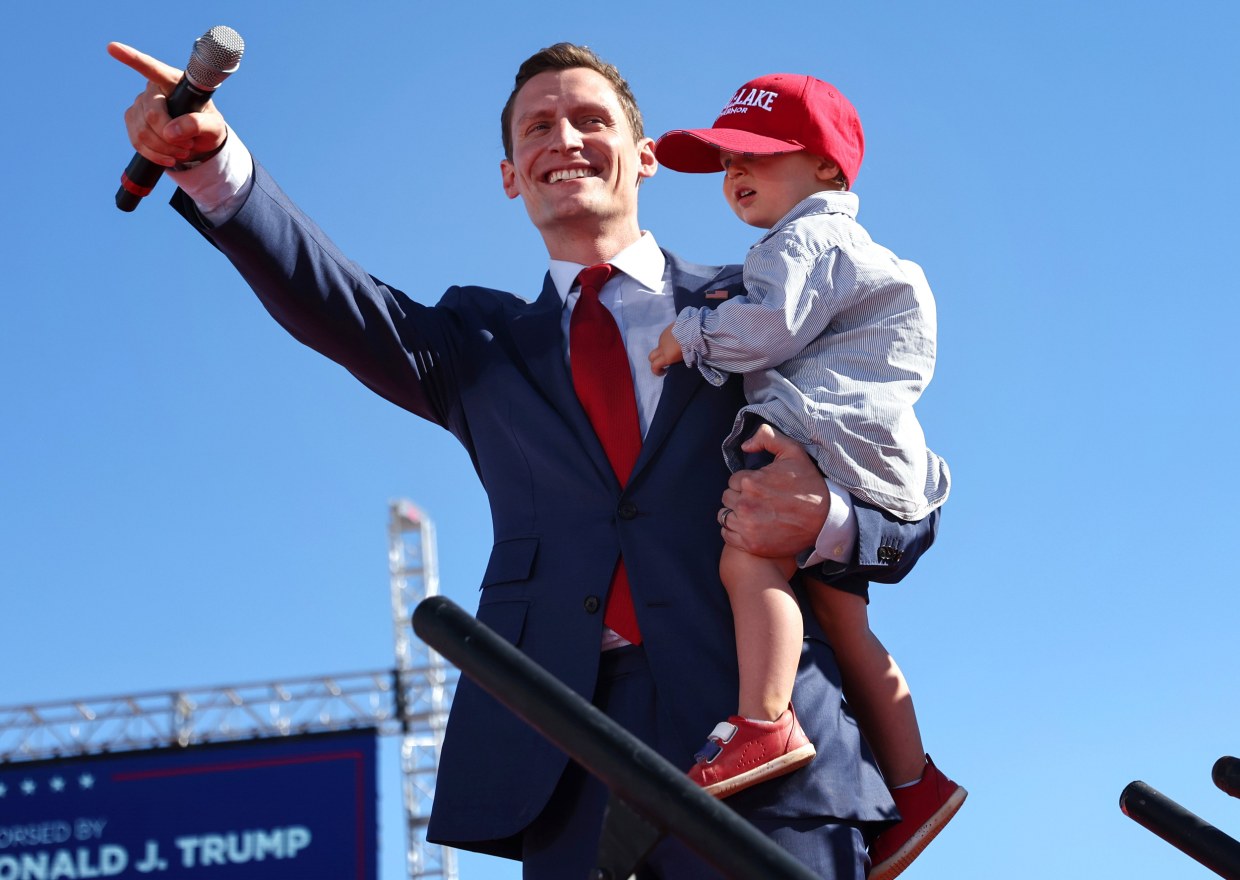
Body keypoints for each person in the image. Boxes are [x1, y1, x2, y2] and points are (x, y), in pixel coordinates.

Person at [110, 40, 940, 879]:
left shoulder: (768, 303)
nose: (565, 138)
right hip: (564, 765)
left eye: (591, 119)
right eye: (538, 127)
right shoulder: (478, 342)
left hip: (769, 759)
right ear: (511, 175)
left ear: (646, 157)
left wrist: (829, 519)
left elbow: (898, 482)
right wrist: (214, 163)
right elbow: (336, 298)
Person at [649, 73, 964, 878]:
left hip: (822, 434)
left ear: (828, 167)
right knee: (842, 617)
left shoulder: (804, 241)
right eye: (725, 162)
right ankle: (915, 782)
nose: (734, 173)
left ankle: (765, 719)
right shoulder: (849, 246)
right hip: (870, 451)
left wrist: (690, 333)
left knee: (748, 558)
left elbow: (769, 329)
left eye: (756, 155)